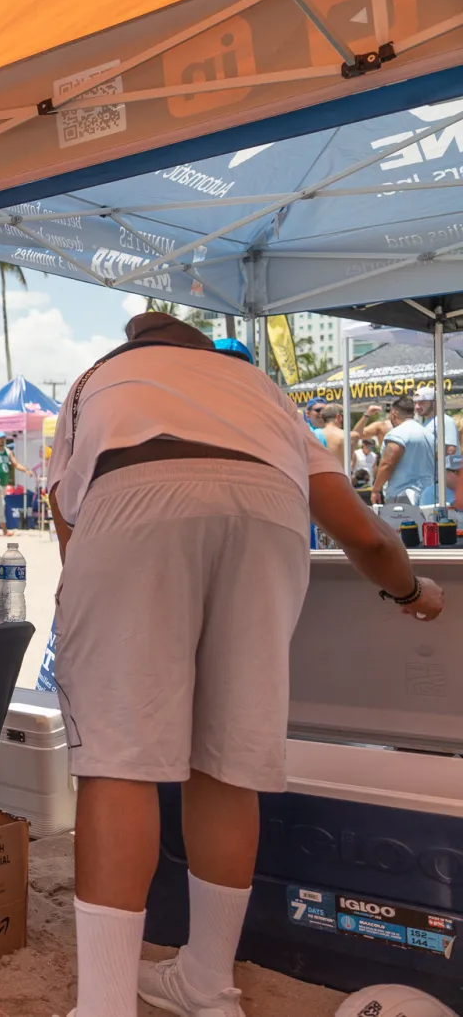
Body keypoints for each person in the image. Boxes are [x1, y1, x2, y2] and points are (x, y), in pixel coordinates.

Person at [47, 312, 442, 1017]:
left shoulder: (95, 382)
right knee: (228, 761)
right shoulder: (261, 389)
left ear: (135, 345)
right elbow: (365, 535)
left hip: (135, 499)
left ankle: (106, 1007)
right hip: (270, 515)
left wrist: (108, 631)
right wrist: (413, 592)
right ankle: (207, 985)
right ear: (209, 352)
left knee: (119, 760)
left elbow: (70, 521)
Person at [372, 395, 437, 506]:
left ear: (394, 413)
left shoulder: (398, 433)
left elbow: (387, 464)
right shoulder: (427, 434)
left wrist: (375, 490)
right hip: (427, 495)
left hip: (403, 496)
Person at [0, 430, 33, 535]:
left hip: (3, 483)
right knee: (0, 504)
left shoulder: (7, 451)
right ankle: (4, 529)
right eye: (0, 438)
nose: (2, 440)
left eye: (3, 438)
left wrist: (26, 470)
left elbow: (15, 464)